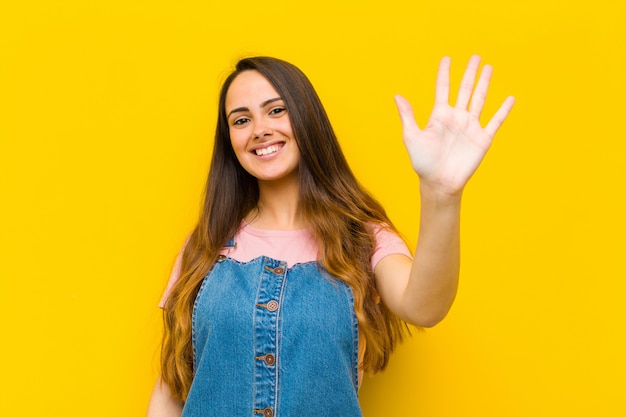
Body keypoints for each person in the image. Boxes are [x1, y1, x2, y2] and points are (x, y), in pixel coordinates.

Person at [146, 55, 515, 417]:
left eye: (276, 111)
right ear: (230, 140)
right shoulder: (207, 245)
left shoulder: (362, 238)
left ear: (306, 119)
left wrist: (442, 196)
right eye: (241, 119)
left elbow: (424, 306)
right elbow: (171, 388)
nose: (260, 128)